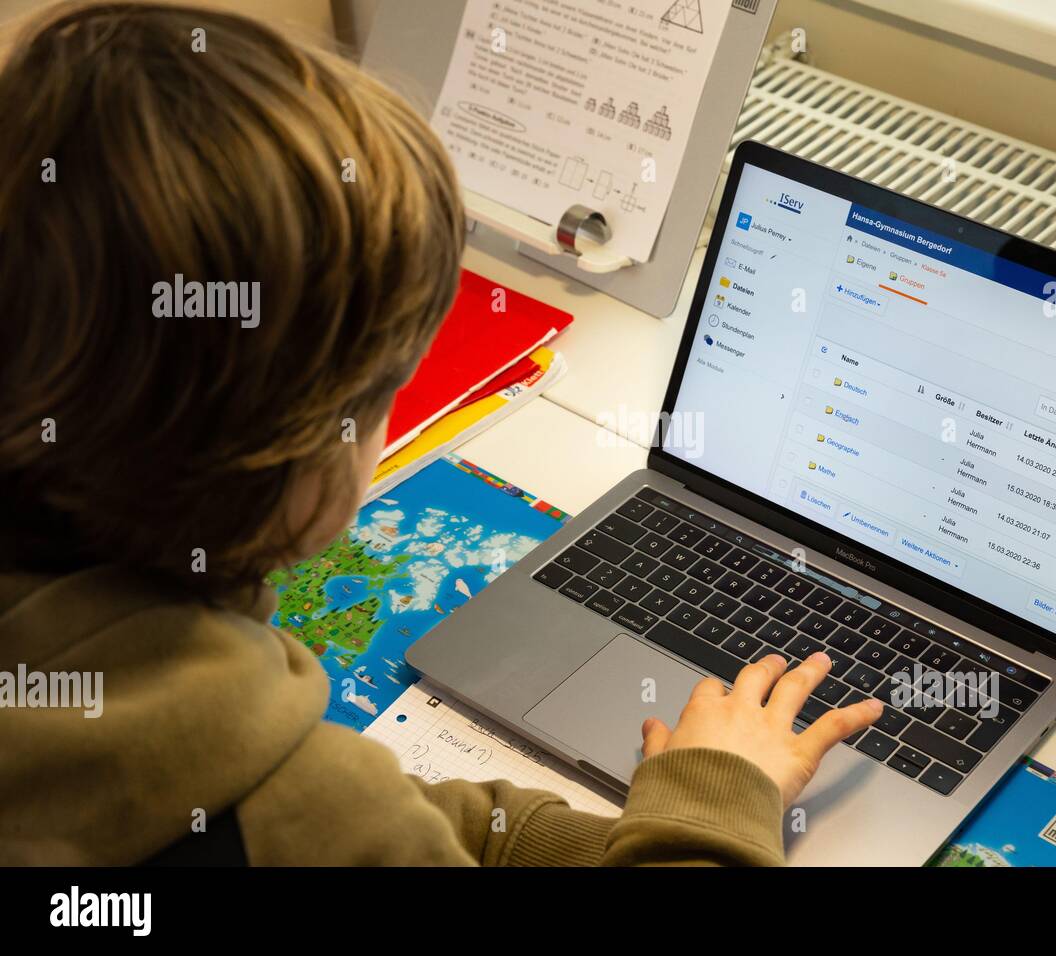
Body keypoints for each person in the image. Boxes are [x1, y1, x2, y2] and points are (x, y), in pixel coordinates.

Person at [0, 1, 882, 865]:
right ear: (294, 463)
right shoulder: (295, 816)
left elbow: (373, 815)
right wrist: (716, 798)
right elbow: (335, 820)